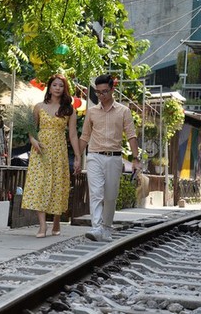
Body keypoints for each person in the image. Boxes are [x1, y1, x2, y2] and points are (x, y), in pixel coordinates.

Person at [79, 74, 140, 242]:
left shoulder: (123, 111)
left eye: (105, 92)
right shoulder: (91, 112)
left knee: (110, 196)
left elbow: (131, 135)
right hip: (94, 156)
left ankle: (106, 228)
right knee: (96, 193)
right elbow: (84, 136)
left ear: (112, 89)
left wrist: (135, 159)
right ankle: (96, 227)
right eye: (98, 93)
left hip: (114, 157)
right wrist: (78, 156)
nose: (101, 96)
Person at [21, 74, 81, 238]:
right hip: (40, 150)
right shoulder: (38, 107)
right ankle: (42, 226)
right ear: (50, 87)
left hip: (59, 151)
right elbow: (32, 131)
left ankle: (56, 220)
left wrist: (77, 156)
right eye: (55, 85)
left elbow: (73, 135)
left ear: (65, 89)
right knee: (39, 184)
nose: (57, 88)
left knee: (57, 185)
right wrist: (33, 141)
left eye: (61, 86)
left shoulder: (69, 109)